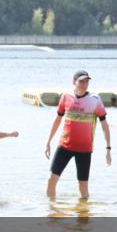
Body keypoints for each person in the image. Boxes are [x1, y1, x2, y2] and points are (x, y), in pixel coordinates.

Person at [44, 70, 111, 200]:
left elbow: (105, 125)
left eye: (87, 81)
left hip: (84, 149)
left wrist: (108, 148)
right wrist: (48, 141)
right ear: (74, 82)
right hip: (64, 146)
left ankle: (83, 216)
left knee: (83, 186)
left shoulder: (95, 100)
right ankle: (51, 213)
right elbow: (57, 119)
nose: (85, 84)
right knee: (51, 179)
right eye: (81, 81)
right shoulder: (66, 97)